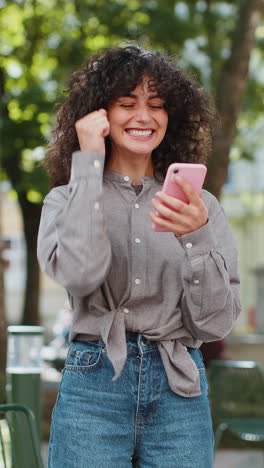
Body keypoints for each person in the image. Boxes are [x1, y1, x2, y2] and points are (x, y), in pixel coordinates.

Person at [37, 45, 241, 468]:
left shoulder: (200, 207)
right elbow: (80, 275)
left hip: (178, 387)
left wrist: (197, 238)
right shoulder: (64, 201)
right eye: (126, 104)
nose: (144, 117)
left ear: (173, 116)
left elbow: (216, 322)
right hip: (94, 381)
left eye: (157, 105)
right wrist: (88, 159)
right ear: (100, 116)